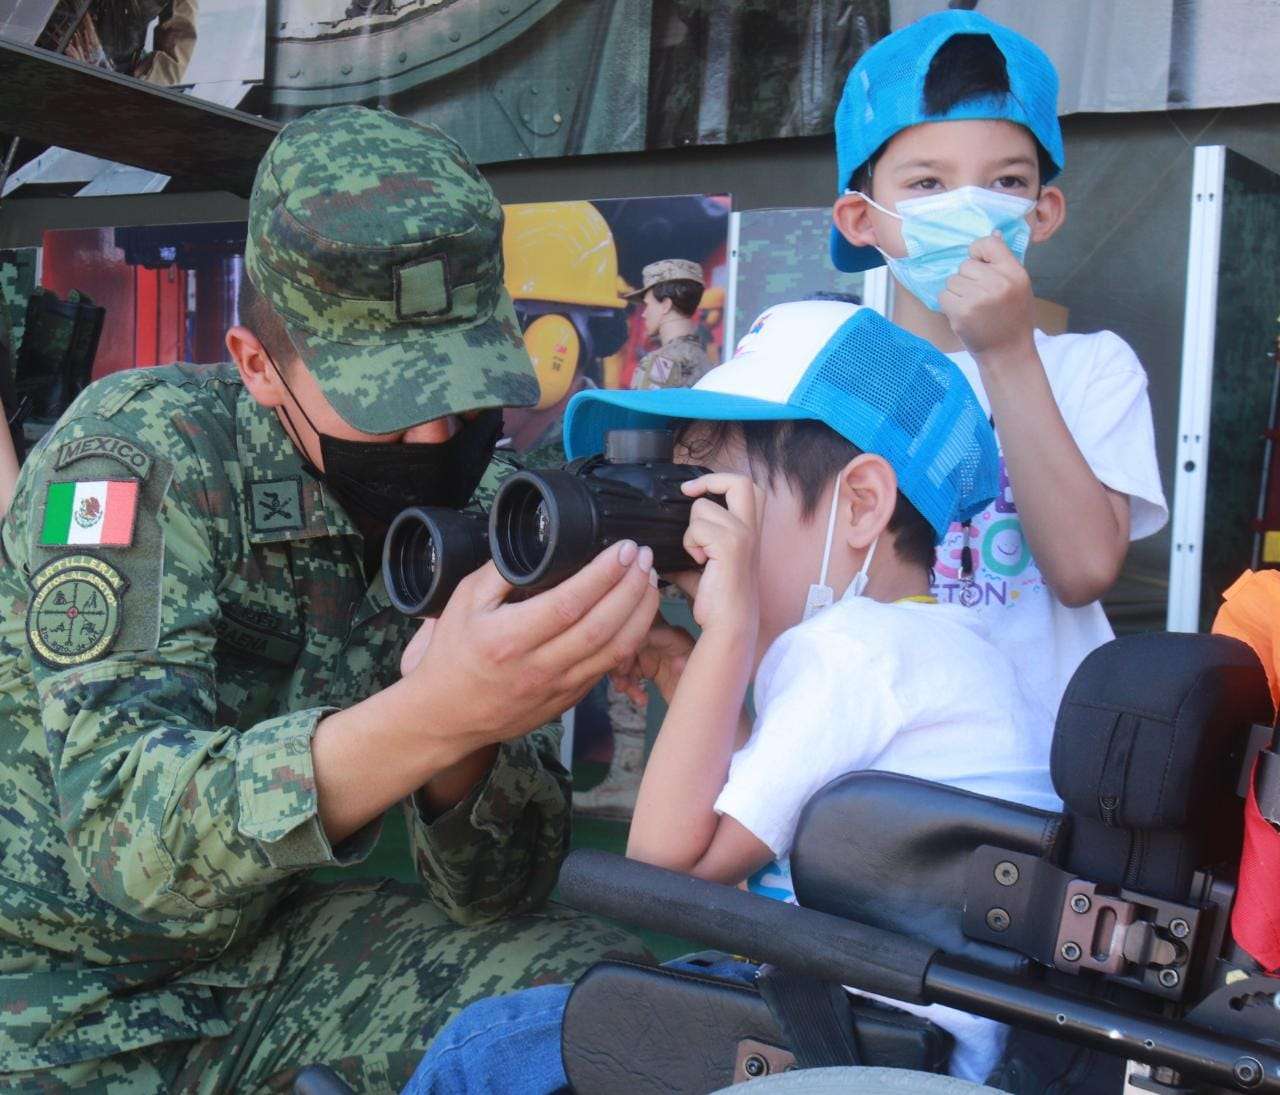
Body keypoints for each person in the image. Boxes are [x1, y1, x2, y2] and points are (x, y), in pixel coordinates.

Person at [0, 106, 659, 1092]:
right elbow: (131, 848)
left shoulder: (485, 500)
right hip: (51, 999)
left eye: (467, 392)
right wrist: (435, 711)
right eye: (392, 404)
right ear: (257, 366)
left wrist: (475, 734)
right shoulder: (135, 460)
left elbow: (497, 895)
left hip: (264, 960)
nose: (438, 441)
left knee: (612, 1011)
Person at [401, 299, 1061, 1093]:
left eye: (716, 497)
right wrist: (690, 675)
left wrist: (723, 640)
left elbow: (669, 866)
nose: (694, 533)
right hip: (890, 1027)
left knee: (490, 1048)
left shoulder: (851, 651)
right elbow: (771, 815)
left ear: (859, 504)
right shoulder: (928, 649)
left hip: (862, 1047)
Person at [829, 10, 1167, 714]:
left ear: (1043, 212)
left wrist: (1006, 350)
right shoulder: (826, 371)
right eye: (927, 183)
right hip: (871, 761)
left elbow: (1081, 571)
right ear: (862, 218)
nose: (971, 207)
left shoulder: (1094, 368)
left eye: (1007, 182)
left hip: (1043, 779)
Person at [625, 258, 715, 392]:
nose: (644, 314)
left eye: (648, 305)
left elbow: (639, 412)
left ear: (666, 305)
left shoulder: (658, 363)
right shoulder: (708, 364)